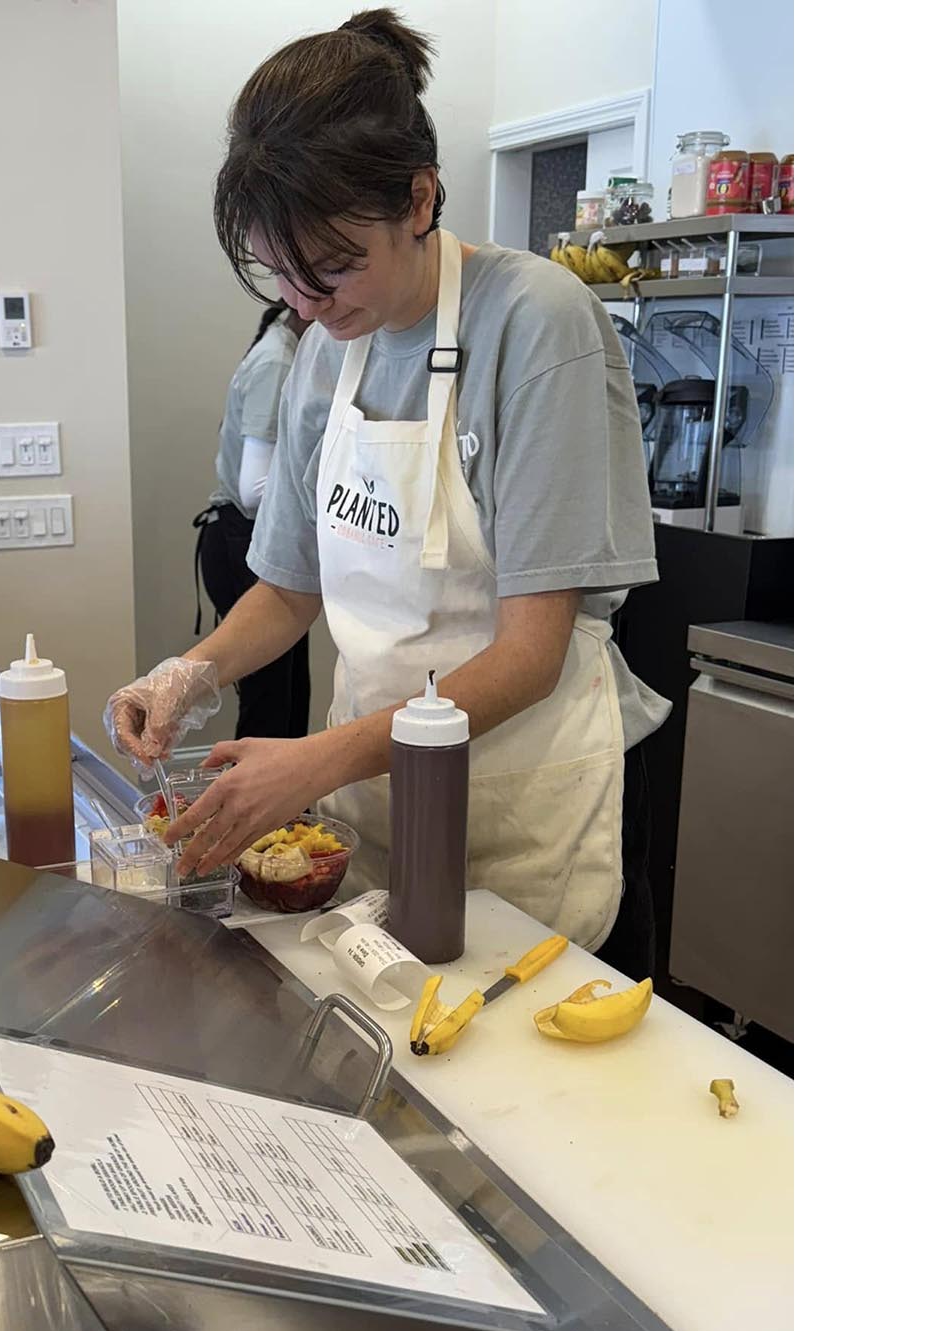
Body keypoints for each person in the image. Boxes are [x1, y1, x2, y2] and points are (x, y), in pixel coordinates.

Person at [104, 8, 669, 973]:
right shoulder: (326, 354)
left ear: (419, 198)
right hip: (371, 800)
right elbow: (290, 589)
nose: (308, 305)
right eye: (282, 277)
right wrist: (190, 671)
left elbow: (530, 654)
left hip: (518, 802)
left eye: (333, 269)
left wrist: (312, 760)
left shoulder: (536, 323)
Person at [192, 300, 313, 740]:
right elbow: (254, 489)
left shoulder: (284, 348)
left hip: (251, 540)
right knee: (270, 708)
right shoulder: (278, 362)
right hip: (243, 545)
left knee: (288, 698)